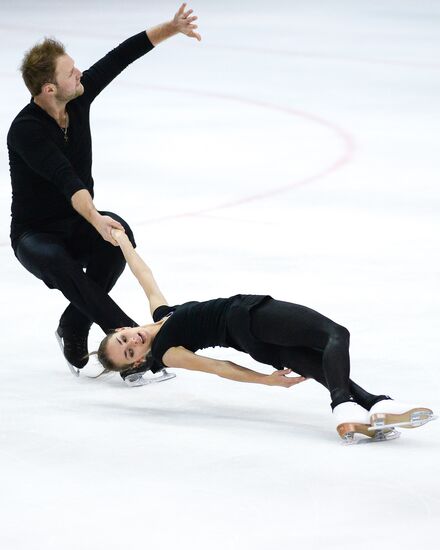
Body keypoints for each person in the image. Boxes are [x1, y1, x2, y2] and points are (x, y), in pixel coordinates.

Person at [7, 4, 201, 383]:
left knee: (117, 235)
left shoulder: (76, 97)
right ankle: (139, 347)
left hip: (75, 221)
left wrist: (172, 27)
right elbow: (68, 180)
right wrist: (94, 219)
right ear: (49, 90)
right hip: (35, 236)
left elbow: (121, 55)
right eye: (70, 72)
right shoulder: (26, 131)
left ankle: (73, 325)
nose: (79, 73)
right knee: (68, 262)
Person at [94, 229, 434, 441]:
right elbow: (219, 367)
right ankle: (343, 406)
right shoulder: (167, 352)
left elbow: (143, 273)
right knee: (335, 334)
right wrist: (265, 382)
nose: (131, 343)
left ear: (123, 329)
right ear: (138, 361)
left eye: (123, 339)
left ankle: (372, 405)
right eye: (128, 353)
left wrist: (122, 240)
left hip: (254, 343)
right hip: (248, 317)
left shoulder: (161, 314)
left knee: (320, 366)